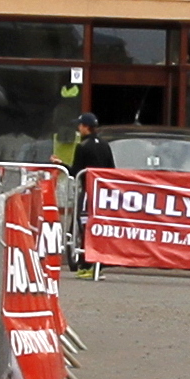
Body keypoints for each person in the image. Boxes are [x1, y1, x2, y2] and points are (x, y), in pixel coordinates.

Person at [66, 112, 115, 279]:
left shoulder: (83, 146)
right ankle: (97, 264)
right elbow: (112, 169)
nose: (78, 128)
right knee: (98, 226)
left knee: (85, 226)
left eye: (80, 125)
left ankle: (88, 265)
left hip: (89, 191)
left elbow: (75, 171)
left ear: (85, 127)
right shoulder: (105, 145)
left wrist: (60, 164)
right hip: (103, 193)